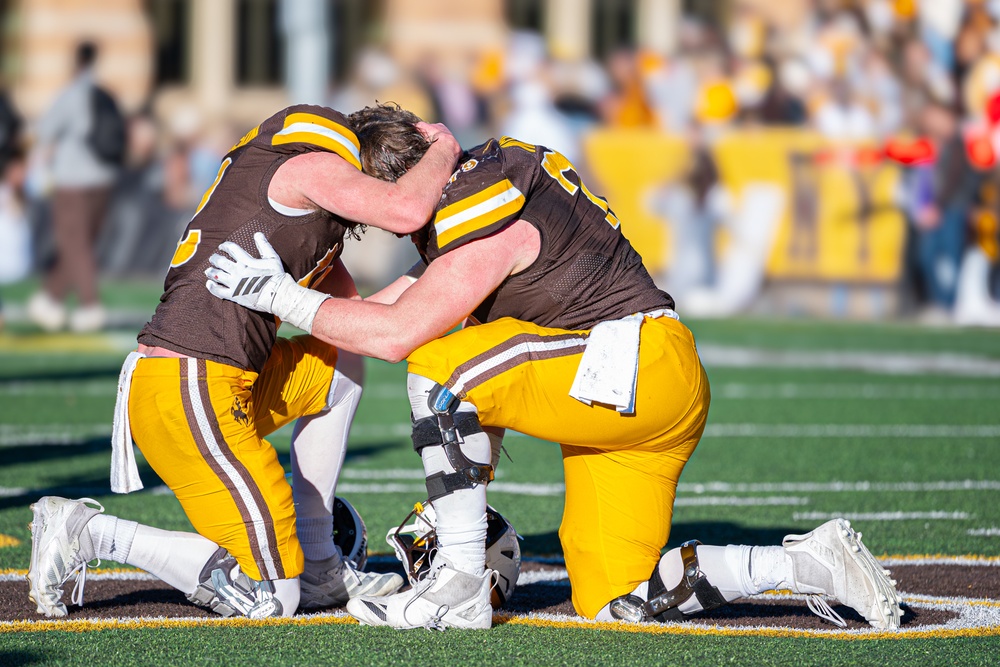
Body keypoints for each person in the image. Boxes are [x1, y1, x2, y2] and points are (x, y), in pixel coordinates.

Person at [205, 104, 902, 631]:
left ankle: (458, 579)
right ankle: (808, 562)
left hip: (634, 364)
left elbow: (399, 333)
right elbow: (406, 299)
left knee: (442, 364)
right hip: (637, 397)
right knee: (614, 596)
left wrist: (284, 295)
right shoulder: (485, 172)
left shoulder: (479, 206)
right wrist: (284, 310)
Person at [27, 103, 462, 620]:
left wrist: (444, 268)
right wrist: (444, 150)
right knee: (272, 598)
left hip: (218, 384)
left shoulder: (303, 215)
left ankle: (320, 562)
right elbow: (405, 210)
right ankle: (89, 532)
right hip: (189, 385)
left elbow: (361, 322)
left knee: (340, 363)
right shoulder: (308, 166)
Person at [27, 41, 121, 333]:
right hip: (104, 179)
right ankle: (50, 299)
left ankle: (89, 305)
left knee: (74, 243)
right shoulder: (106, 95)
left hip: (73, 180)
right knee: (80, 245)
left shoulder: (72, 94)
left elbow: (44, 131)